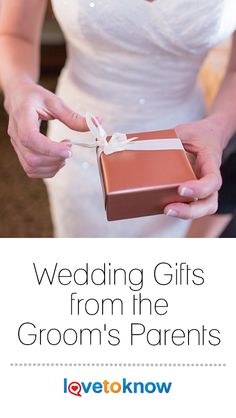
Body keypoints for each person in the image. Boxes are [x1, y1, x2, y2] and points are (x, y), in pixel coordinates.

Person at [0, 0, 236, 237]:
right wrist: (18, 86)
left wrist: (219, 128)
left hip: (182, 149)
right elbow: (14, 33)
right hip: (81, 141)